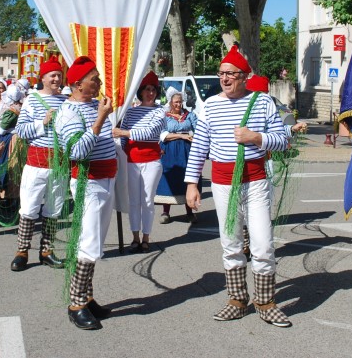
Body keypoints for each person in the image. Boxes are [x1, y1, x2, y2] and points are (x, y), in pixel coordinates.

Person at [185, 45, 307, 327]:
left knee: (262, 243)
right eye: (222, 74)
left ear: (245, 76)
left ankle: (265, 302)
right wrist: (192, 183)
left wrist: (255, 138)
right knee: (231, 243)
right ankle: (237, 300)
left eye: (231, 74)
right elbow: (200, 146)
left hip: (255, 180)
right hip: (223, 182)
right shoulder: (210, 105)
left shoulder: (263, 102)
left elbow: (282, 140)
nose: (225, 79)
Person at [55, 56, 115, 330]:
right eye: (94, 79)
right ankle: (75, 302)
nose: (99, 82)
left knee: (96, 243)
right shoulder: (68, 112)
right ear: (78, 84)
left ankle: (87, 297)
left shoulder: (92, 105)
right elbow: (77, 151)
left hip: (105, 179)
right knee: (87, 244)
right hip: (87, 183)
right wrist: (101, 119)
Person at [10, 57, 67, 271]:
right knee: (29, 208)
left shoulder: (66, 101)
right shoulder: (32, 100)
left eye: (59, 75)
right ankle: (22, 251)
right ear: (42, 77)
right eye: (52, 75)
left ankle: (46, 251)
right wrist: (42, 123)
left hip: (59, 163)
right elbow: (21, 131)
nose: (56, 78)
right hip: (36, 162)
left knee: (54, 209)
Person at [112, 71, 165, 252]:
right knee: (133, 200)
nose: (150, 93)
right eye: (147, 89)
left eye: (153, 90)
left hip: (151, 161)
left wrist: (124, 133)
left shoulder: (160, 111)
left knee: (148, 200)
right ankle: (135, 236)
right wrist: (121, 148)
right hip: (132, 161)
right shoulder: (131, 112)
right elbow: (124, 139)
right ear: (141, 91)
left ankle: (146, 237)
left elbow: (150, 132)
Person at [156, 87, 198, 224]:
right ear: (170, 103)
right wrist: (182, 135)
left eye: (180, 102)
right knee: (169, 177)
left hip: (186, 151)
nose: (178, 105)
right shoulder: (165, 117)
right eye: (176, 102)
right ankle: (165, 212)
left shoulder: (189, 115)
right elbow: (163, 135)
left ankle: (189, 212)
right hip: (169, 151)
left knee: (187, 177)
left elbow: (197, 129)